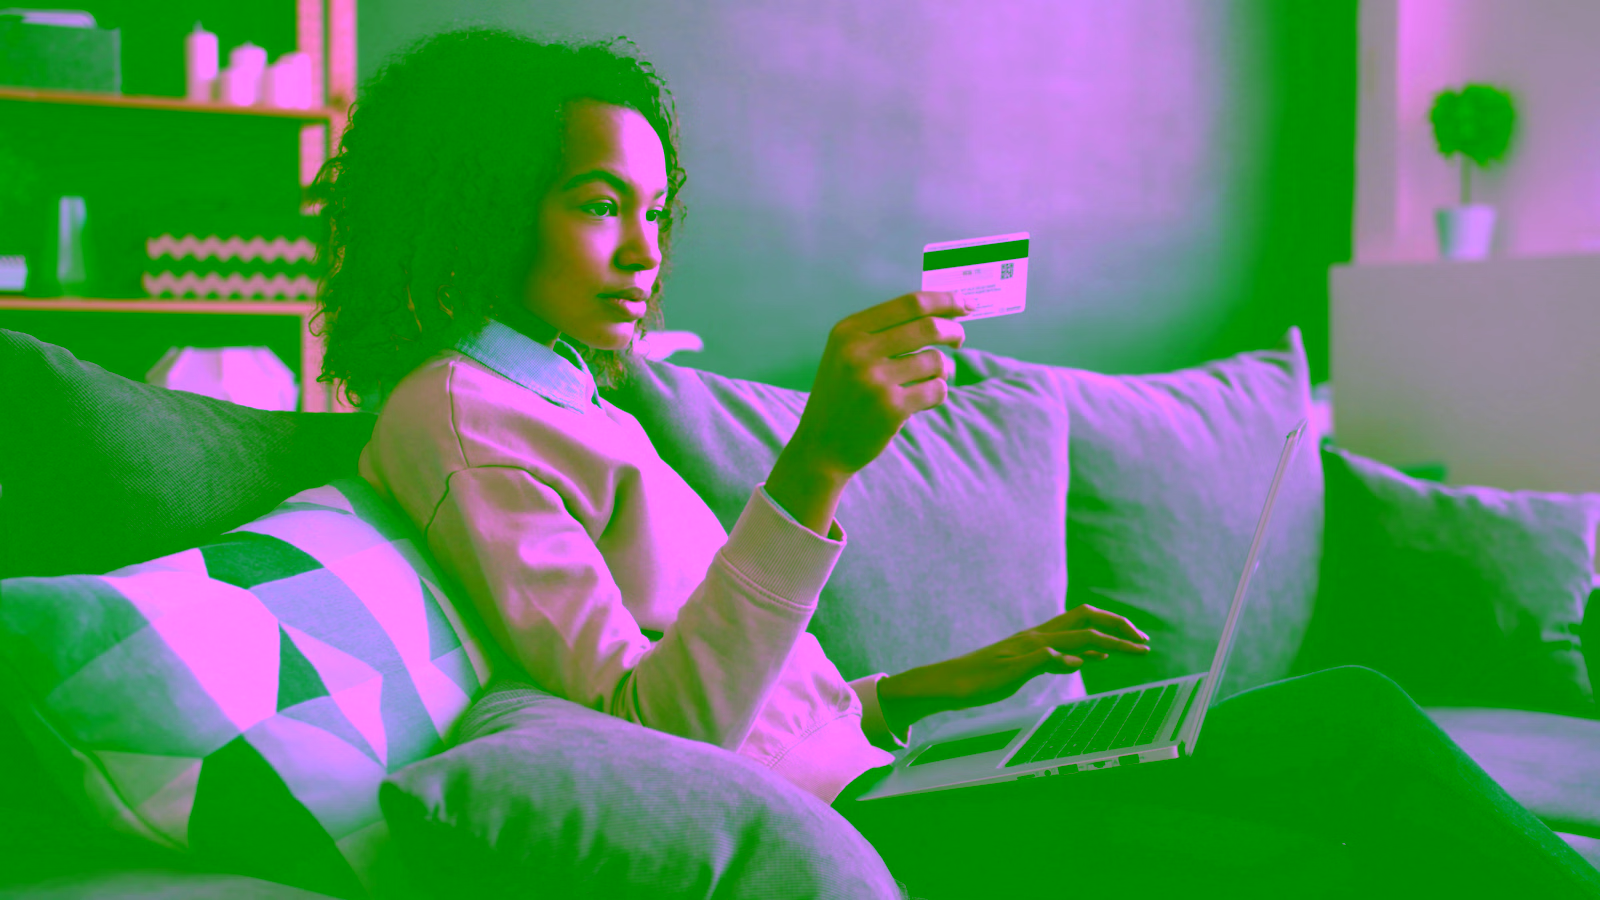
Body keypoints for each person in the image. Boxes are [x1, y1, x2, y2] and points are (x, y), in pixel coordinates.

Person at [312, 27, 1600, 900]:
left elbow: (785, 710)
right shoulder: (462, 418)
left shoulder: (574, 401)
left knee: (1318, 764)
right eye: (600, 204)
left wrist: (987, 670)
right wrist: (814, 462)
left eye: (654, 209)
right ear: (481, 200)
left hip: (902, 778)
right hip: (876, 833)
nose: (644, 248)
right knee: (1343, 732)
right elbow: (668, 733)